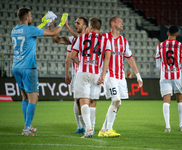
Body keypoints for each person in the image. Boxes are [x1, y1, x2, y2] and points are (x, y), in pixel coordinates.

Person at [11, 7, 67, 136]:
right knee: (34, 98)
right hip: (28, 67)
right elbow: (54, 33)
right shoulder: (30, 30)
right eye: (30, 16)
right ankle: (26, 128)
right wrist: (62, 21)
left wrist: (44, 23)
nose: (31, 18)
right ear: (26, 18)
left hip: (16, 67)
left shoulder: (14, 30)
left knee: (25, 96)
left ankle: (28, 125)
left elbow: (32, 31)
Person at [98, 16, 143, 137]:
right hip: (109, 75)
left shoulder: (123, 40)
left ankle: (103, 129)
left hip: (120, 76)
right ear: (112, 24)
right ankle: (109, 129)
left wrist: (138, 75)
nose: (122, 23)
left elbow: (130, 59)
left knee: (118, 103)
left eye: (122, 21)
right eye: (119, 21)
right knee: (116, 100)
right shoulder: (103, 38)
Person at [71, 17, 111, 138]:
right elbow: (107, 57)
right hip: (96, 73)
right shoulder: (105, 40)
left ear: (91, 27)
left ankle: (88, 129)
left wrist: (81, 63)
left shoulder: (82, 37)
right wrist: (103, 75)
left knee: (83, 101)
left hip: (83, 72)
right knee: (93, 101)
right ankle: (92, 127)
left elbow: (73, 55)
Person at [49, 17, 88, 134]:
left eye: (78, 23)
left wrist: (67, 26)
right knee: (77, 100)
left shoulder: (89, 37)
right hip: (76, 74)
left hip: (88, 73)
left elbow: (81, 38)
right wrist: (51, 29)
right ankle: (81, 126)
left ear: (85, 26)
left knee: (87, 101)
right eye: (74, 22)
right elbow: (58, 40)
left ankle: (88, 125)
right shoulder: (73, 40)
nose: (75, 24)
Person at [155, 25, 182, 132]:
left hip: (165, 77)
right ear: (177, 34)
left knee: (166, 101)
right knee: (180, 99)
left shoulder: (160, 46)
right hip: (177, 77)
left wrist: (162, 73)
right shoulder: (181, 46)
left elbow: (158, 65)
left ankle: (167, 127)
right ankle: (181, 126)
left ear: (167, 33)